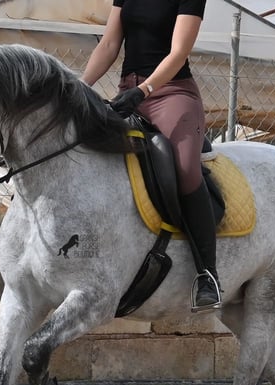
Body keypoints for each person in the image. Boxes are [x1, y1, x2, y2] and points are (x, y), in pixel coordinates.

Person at [81, 0, 221, 311]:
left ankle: (207, 274)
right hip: (126, 93)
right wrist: (79, 87)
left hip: (171, 93)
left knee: (185, 170)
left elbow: (178, 52)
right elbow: (109, 44)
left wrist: (144, 90)